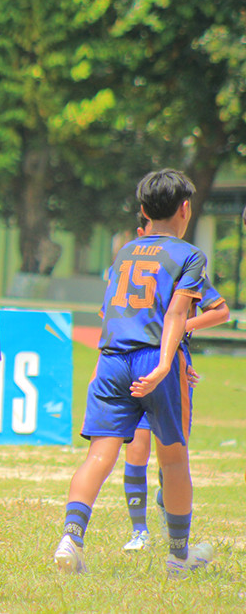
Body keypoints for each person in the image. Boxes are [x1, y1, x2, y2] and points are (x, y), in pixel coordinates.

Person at [54, 168, 214, 579]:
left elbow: (110, 313)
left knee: (99, 455)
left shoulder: (124, 252)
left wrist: (99, 366)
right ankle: (179, 557)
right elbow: (177, 313)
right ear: (185, 209)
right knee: (174, 460)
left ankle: (71, 538)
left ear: (143, 210)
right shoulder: (188, 255)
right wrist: (165, 365)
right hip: (154, 359)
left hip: (111, 360)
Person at [119, 214, 228, 552]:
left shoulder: (183, 267)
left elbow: (220, 310)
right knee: (136, 446)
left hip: (170, 366)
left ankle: (171, 518)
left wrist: (181, 326)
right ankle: (139, 531)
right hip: (136, 365)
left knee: (172, 453)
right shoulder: (130, 273)